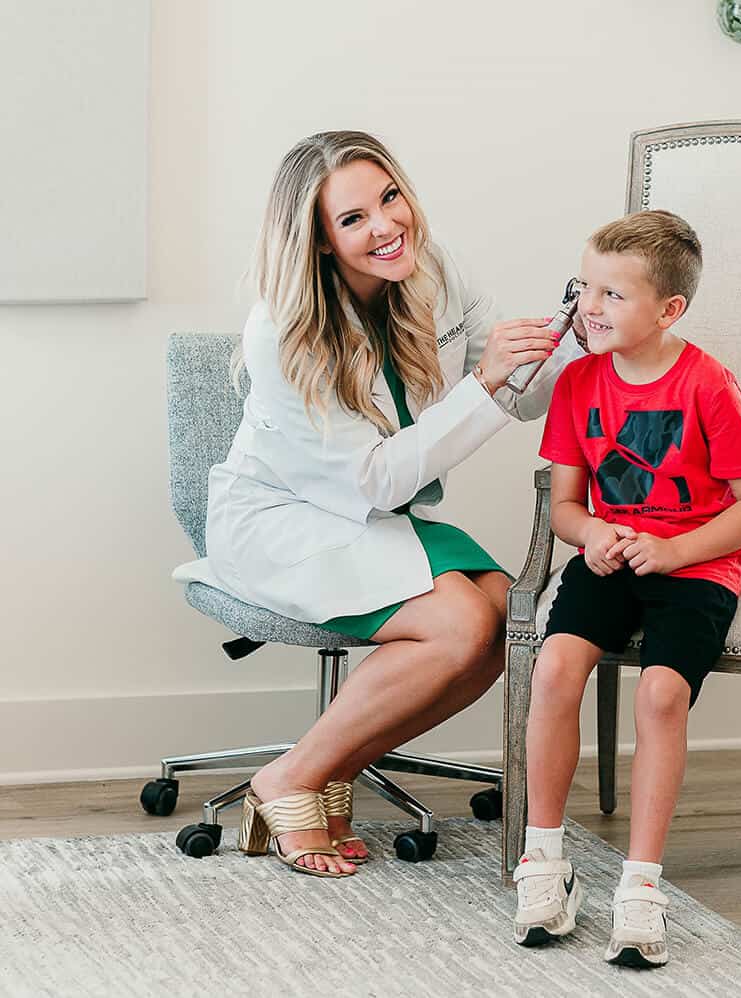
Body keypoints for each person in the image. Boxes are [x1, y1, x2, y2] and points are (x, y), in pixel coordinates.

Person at [173, 130, 582, 877]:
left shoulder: (436, 267)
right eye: (353, 218)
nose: (387, 226)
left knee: (506, 620)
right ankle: (290, 778)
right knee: (460, 626)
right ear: (320, 241)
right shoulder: (282, 330)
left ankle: (326, 771)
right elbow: (377, 478)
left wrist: (575, 346)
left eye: (390, 197)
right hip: (283, 519)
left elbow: (521, 393)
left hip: (381, 516)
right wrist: (483, 385)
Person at [512, 210, 741, 965]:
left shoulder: (710, 386)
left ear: (669, 310)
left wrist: (673, 551)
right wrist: (593, 534)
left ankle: (641, 881)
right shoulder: (578, 383)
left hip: (694, 562)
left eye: (613, 295)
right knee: (555, 668)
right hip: (612, 557)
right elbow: (566, 505)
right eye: (585, 287)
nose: (589, 308)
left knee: (661, 694)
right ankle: (543, 859)